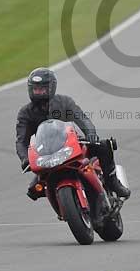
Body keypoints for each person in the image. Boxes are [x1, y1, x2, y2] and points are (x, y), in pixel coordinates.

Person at [15, 67, 131, 200]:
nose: (38, 92)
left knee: (104, 145)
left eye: (42, 89)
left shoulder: (64, 102)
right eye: (35, 89)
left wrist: (90, 134)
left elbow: (82, 118)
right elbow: (21, 140)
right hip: (46, 154)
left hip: (71, 144)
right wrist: (25, 158)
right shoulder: (25, 113)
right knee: (33, 190)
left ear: (51, 88)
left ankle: (113, 183)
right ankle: (60, 202)